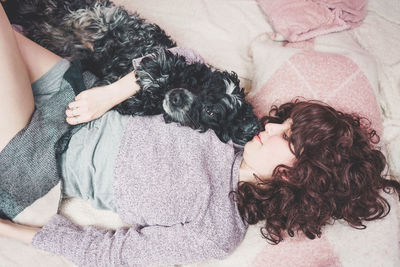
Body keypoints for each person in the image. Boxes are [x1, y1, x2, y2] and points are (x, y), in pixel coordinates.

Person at [0, 4, 399, 266]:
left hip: (40, 157)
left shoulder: (218, 231)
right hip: (77, 97)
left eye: (286, 137)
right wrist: (110, 93)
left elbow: (114, 254)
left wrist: (10, 232)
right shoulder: (238, 127)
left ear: (297, 176)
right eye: (284, 121)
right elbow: (183, 60)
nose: (272, 126)